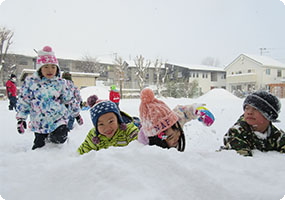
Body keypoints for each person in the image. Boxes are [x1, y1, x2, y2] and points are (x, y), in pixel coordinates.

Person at [16, 46, 83, 150]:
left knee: (60, 138)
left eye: (53, 67)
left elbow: (69, 100)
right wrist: (21, 119)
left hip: (58, 119)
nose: (50, 70)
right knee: (39, 147)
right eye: (46, 67)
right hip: (40, 123)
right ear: (40, 68)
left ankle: (59, 148)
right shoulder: (31, 83)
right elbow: (24, 101)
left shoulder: (61, 83)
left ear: (57, 68)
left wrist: (77, 114)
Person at [138, 88, 215, 152]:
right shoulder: (146, 151)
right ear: (158, 141)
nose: (177, 136)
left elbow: (183, 112)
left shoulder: (173, 123)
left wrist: (197, 110)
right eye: (171, 137)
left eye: (178, 130)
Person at [222, 91, 285, 156]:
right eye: (247, 108)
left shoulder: (277, 136)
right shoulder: (236, 132)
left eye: (255, 109)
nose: (249, 112)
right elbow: (242, 160)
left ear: (268, 116)